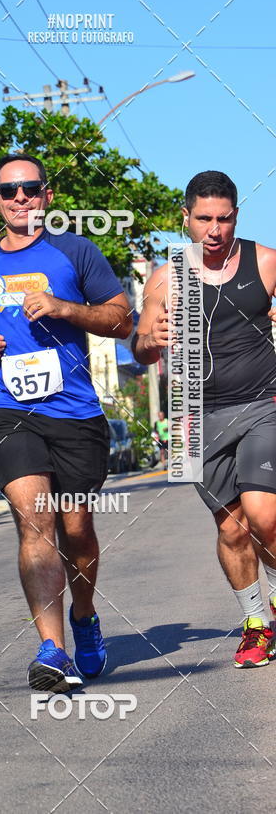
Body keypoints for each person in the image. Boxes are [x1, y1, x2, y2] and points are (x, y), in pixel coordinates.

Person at [0, 152, 132, 691]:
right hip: (8, 409)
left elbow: (122, 320)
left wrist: (64, 308)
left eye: (30, 189)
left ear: (46, 196)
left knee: (75, 529)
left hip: (74, 413)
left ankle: (84, 618)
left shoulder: (75, 250)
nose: (20, 199)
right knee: (36, 521)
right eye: (9, 191)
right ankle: (51, 648)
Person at [133, 170, 276, 668]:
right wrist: (150, 340)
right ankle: (257, 624)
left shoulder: (265, 262)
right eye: (204, 219)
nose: (214, 230)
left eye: (224, 219)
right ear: (186, 219)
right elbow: (141, 347)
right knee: (233, 530)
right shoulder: (166, 276)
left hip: (264, 404)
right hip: (194, 418)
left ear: (236, 215)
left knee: (264, 516)